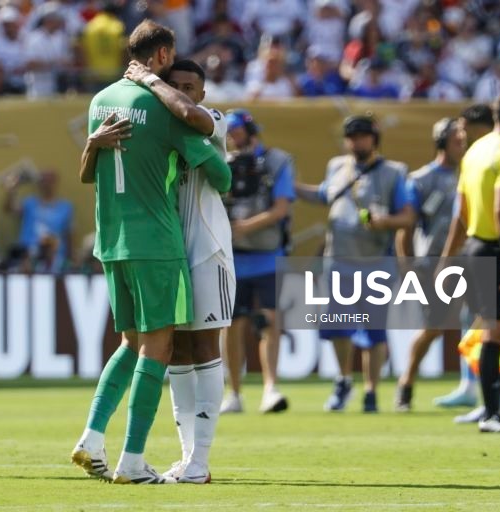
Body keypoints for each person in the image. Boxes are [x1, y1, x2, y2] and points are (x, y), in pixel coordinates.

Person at [70, 19, 230, 485]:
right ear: (161, 56)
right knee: (160, 347)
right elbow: (222, 177)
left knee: (130, 343)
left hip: (110, 240)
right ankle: (133, 461)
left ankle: (92, 438)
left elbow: (89, 172)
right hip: (158, 242)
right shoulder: (164, 110)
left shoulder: (100, 101)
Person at [121, 58, 235, 483]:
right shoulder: (160, 131)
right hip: (169, 252)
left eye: (192, 86)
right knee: (177, 354)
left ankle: (201, 460)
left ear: (203, 93)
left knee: (206, 349)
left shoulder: (213, 120)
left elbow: (188, 115)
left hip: (209, 250)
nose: (185, 92)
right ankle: (188, 458)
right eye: (178, 85)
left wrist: (150, 80)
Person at [296, 114, 414, 413]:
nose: (356, 141)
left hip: (376, 262)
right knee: (337, 327)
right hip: (338, 261)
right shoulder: (337, 166)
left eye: (362, 135)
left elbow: (408, 216)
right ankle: (344, 379)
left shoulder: (393, 172)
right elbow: (325, 195)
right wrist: (290, 187)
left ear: (374, 139)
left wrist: (384, 221)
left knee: (375, 330)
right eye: (352, 136)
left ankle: (371, 390)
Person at [219, 109, 294, 415]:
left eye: (236, 130)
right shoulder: (221, 161)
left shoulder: (277, 161)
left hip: (267, 255)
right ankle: (233, 392)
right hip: (231, 258)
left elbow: (281, 208)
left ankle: (270, 388)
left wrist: (242, 228)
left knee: (269, 322)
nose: (232, 136)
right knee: (231, 326)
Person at [449, 91, 500, 432]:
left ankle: (489, 407)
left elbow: (461, 210)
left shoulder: (475, 152)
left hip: (476, 246)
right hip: (499, 250)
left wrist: (450, 255)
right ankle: (491, 411)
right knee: (494, 333)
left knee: (492, 330)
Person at [393, 117, 466, 411]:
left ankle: (481, 387)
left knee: (484, 324)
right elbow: (406, 227)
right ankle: (406, 382)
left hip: (470, 258)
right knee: (434, 327)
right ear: (442, 142)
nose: (462, 144)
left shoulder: (469, 173)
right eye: (456, 140)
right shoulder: (421, 179)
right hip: (433, 262)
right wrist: (406, 265)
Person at [434, 104, 495, 413]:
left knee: (490, 324)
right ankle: (479, 392)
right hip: (483, 250)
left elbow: (464, 214)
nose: (459, 135)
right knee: (481, 322)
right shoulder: (476, 158)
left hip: (494, 249)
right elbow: (462, 215)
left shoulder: (489, 156)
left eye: (462, 128)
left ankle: (485, 396)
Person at [4, 168, 73, 273]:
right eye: (43, 180)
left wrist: (69, 259)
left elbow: (69, 235)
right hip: (28, 260)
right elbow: (9, 209)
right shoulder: (29, 203)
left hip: (55, 261)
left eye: (49, 180)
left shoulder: (65, 207)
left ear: (55, 182)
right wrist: (11, 190)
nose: (46, 183)